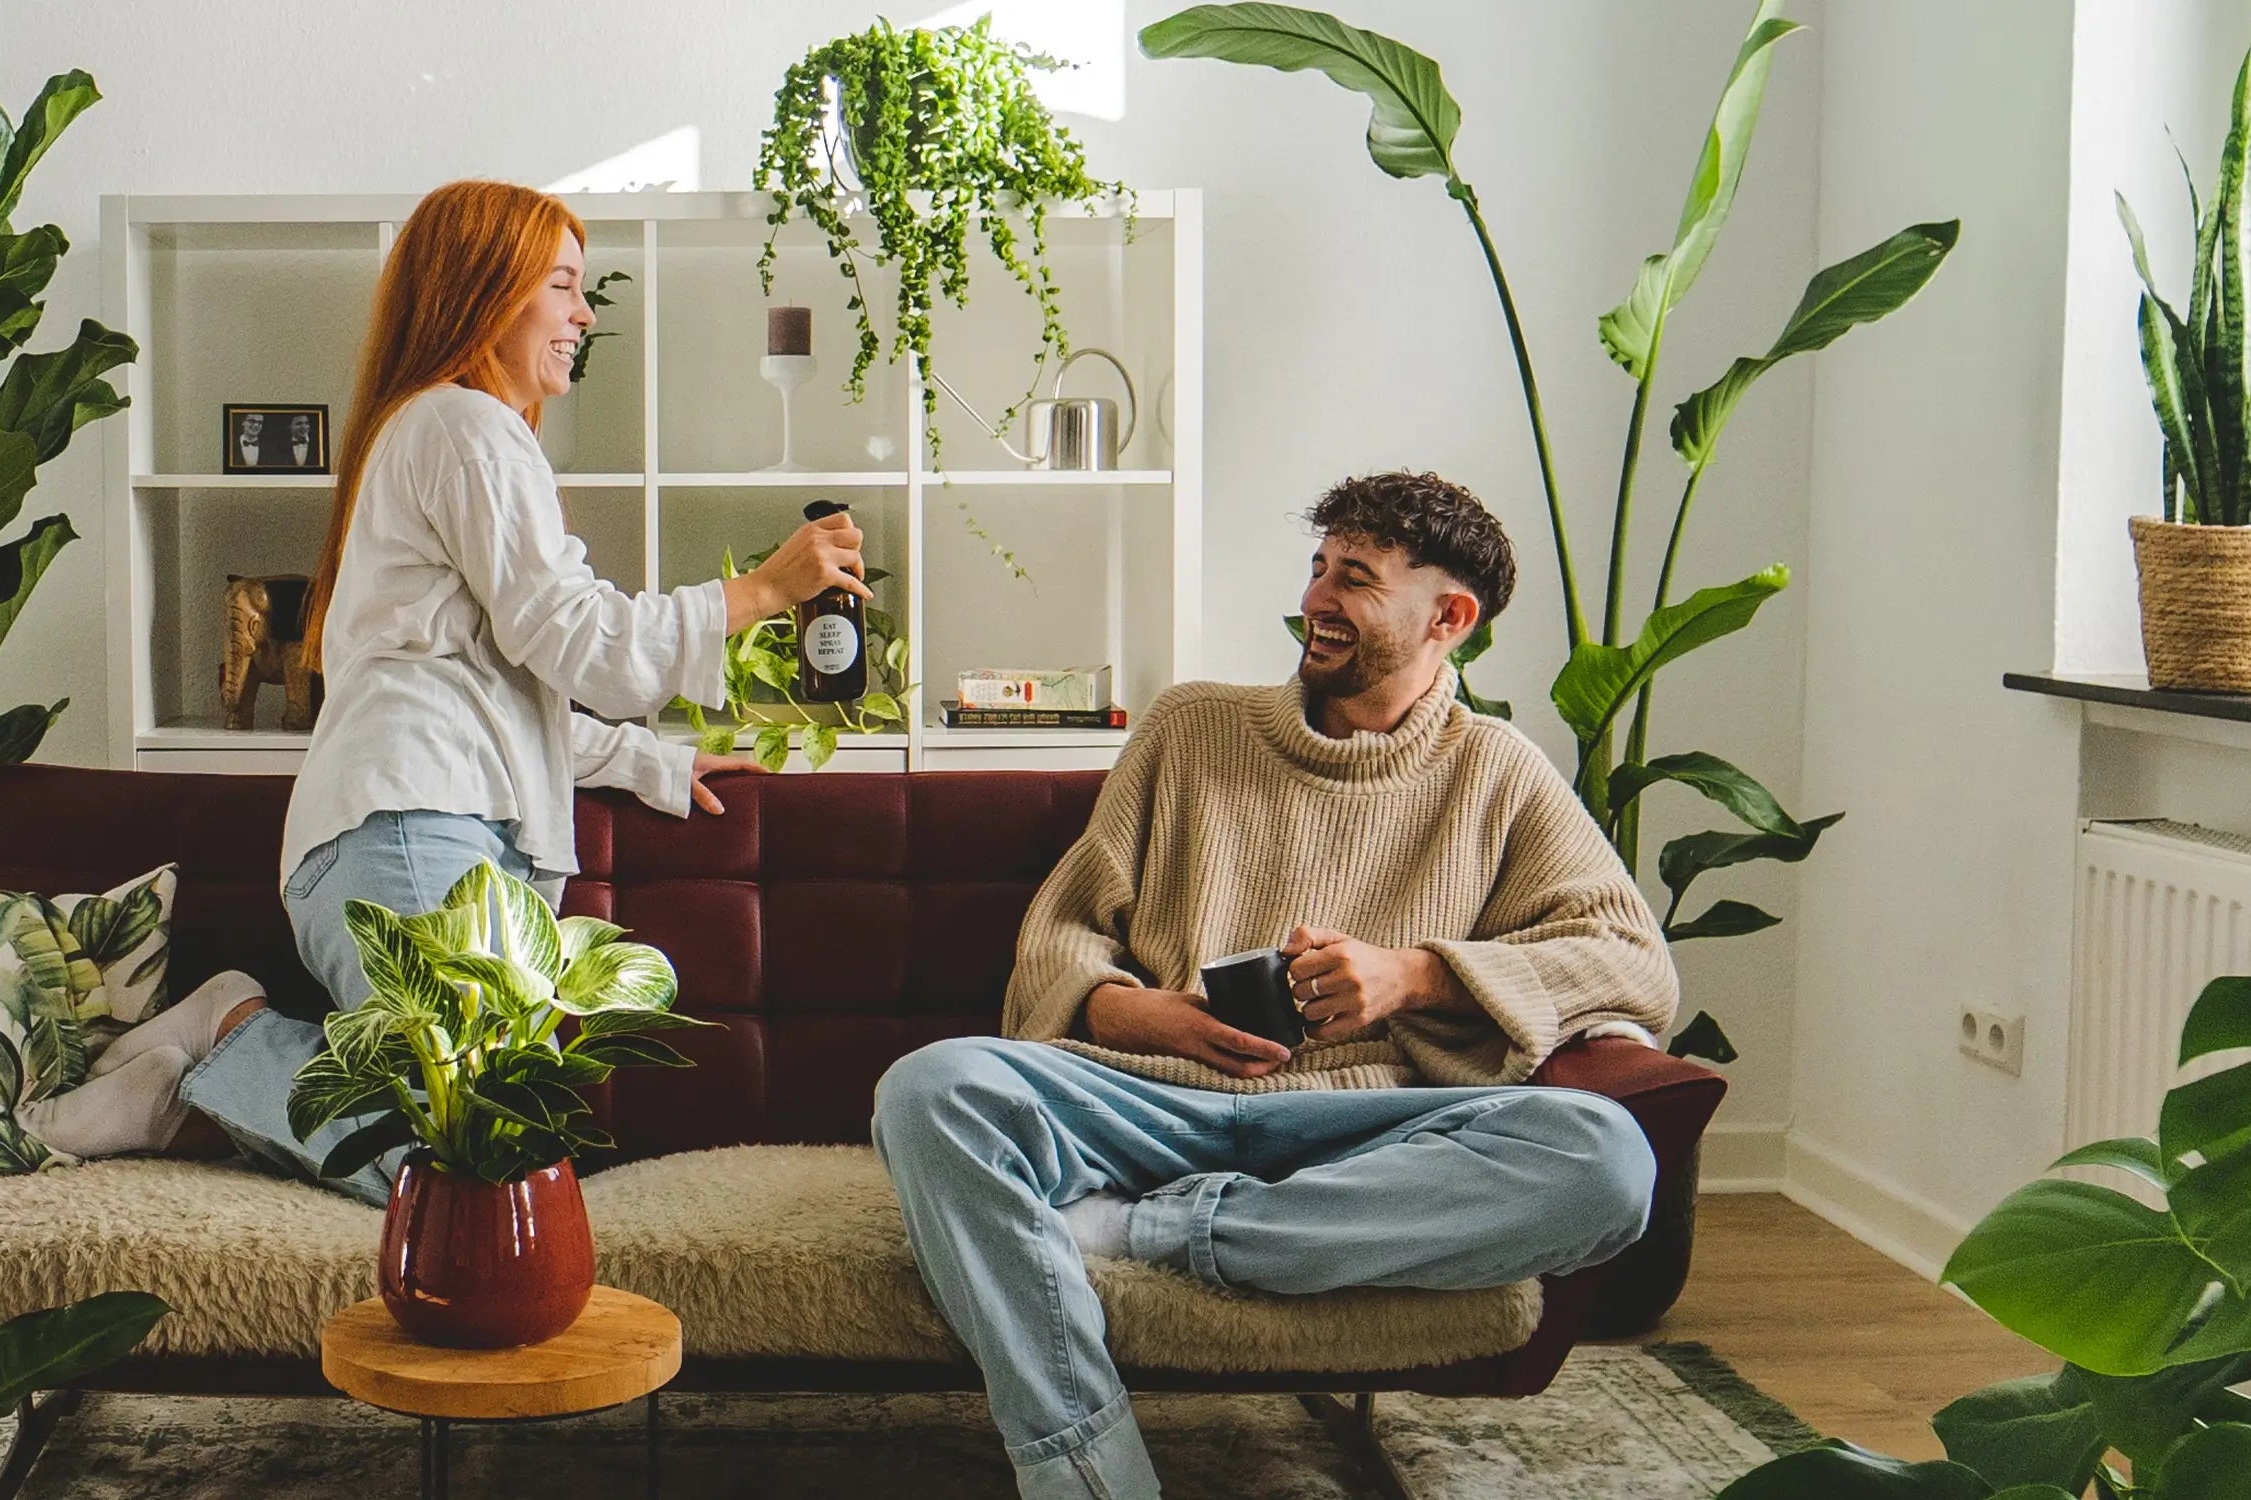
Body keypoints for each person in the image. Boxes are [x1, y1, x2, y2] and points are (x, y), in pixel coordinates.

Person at [868, 471, 1677, 1500]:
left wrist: (1416, 976)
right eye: (1318, 567)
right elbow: (1063, 930)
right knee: (931, 1090)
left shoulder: (1501, 774)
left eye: (1357, 578)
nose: (1318, 600)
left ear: (1450, 617)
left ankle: (1147, 1231)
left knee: (1607, 1163)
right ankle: (1088, 1477)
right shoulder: (1191, 729)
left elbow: (1635, 966)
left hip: (1368, 1132)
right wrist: (1134, 1010)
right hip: (1149, 1100)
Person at [173, 179, 869, 1201]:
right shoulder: (463, 429)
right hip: (411, 831)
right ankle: (226, 1041)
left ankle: (219, 1056)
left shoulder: (446, 434)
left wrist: (650, 763)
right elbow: (584, 643)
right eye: (563, 285)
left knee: (482, 1162)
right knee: (472, 1173)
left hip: (414, 831)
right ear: (488, 291)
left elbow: (499, 686)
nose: (584, 314)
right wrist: (764, 589)